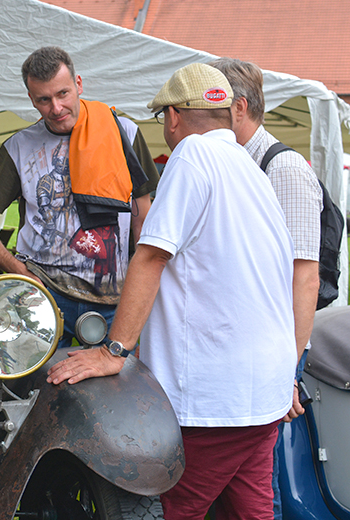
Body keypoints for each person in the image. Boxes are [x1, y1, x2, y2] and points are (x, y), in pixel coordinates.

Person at [47, 63, 297, 518]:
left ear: (175, 117)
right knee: (251, 510)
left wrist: (113, 350)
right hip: (264, 391)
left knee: (178, 508)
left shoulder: (193, 155)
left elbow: (151, 256)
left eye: (164, 118)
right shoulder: (252, 170)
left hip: (216, 394)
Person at [0, 46, 159, 348]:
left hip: (111, 299)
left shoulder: (124, 132)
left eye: (63, 94)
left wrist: (138, 289)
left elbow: (142, 219)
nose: (56, 108)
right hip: (43, 297)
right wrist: (20, 272)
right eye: (44, 99)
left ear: (79, 84)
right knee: (30, 390)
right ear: (31, 99)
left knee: (110, 391)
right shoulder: (18, 148)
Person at [210, 57, 322, 520]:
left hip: (271, 362)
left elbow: (304, 277)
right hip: (241, 358)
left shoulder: (284, 168)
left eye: (208, 110)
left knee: (262, 491)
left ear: (237, 108)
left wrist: (287, 372)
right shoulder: (232, 165)